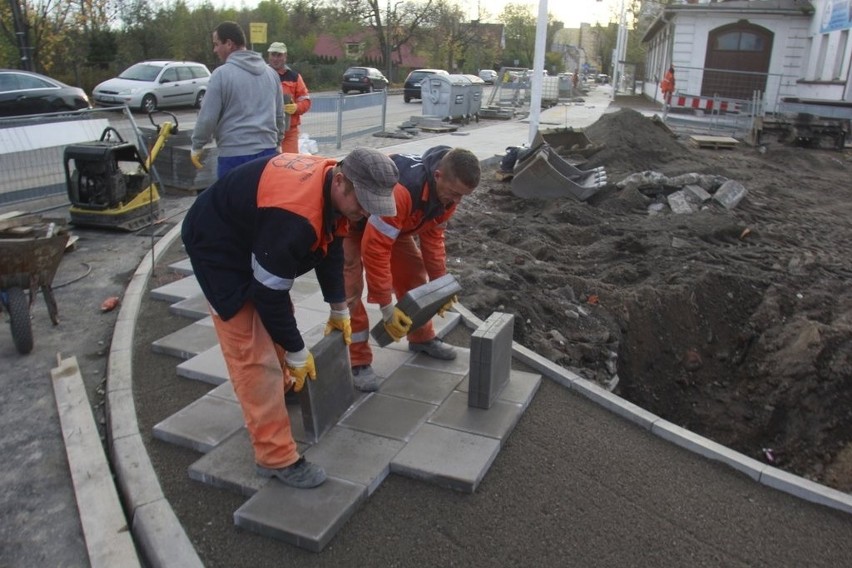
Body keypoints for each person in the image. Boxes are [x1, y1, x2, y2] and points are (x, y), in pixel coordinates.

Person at [181, 147, 399, 488]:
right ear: (341, 182)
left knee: (277, 322)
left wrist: (338, 307)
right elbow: (269, 295)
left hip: (252, 230)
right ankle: (275, 456)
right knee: (253, 350)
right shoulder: (293, 217)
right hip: (218, 246)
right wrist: (297, 351)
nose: (366, 213)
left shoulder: (334, 184)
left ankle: (282, 387)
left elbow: (331, 249)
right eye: (364, 203)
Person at [343, 146, 481, 392]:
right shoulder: (404, 191)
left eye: (463, 196)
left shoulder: (446, 196)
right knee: (351, 290)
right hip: (351, 224)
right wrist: (386, 307)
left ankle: (421, 338)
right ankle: (358, 360)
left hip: (395, 225)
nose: (457, 201)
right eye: (455, 193)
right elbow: (376, 250)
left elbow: (433, 240)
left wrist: (441, 287)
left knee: (414, 276)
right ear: (438, 175)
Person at [191, 21, 285, 178]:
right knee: (261, 202)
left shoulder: (221, 75)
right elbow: (279, 115)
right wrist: (278, 142)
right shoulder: (271, 74)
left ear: (229, 44)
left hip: (234, 156)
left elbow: (207, 118)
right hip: (267, 154)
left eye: (216, 44)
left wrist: (197, 145)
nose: (215, 50)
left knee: (232, 202)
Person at [267, 41, 311, 154]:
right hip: (266, 131)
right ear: (269, 56)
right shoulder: (260, 75)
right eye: (273, 54)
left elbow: (305, 100)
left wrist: (296, 107)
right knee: (266, 166)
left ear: (285, 56)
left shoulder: (294, 77)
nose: (275, 58)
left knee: (289, 164)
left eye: (279, 55)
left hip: (289, 132)